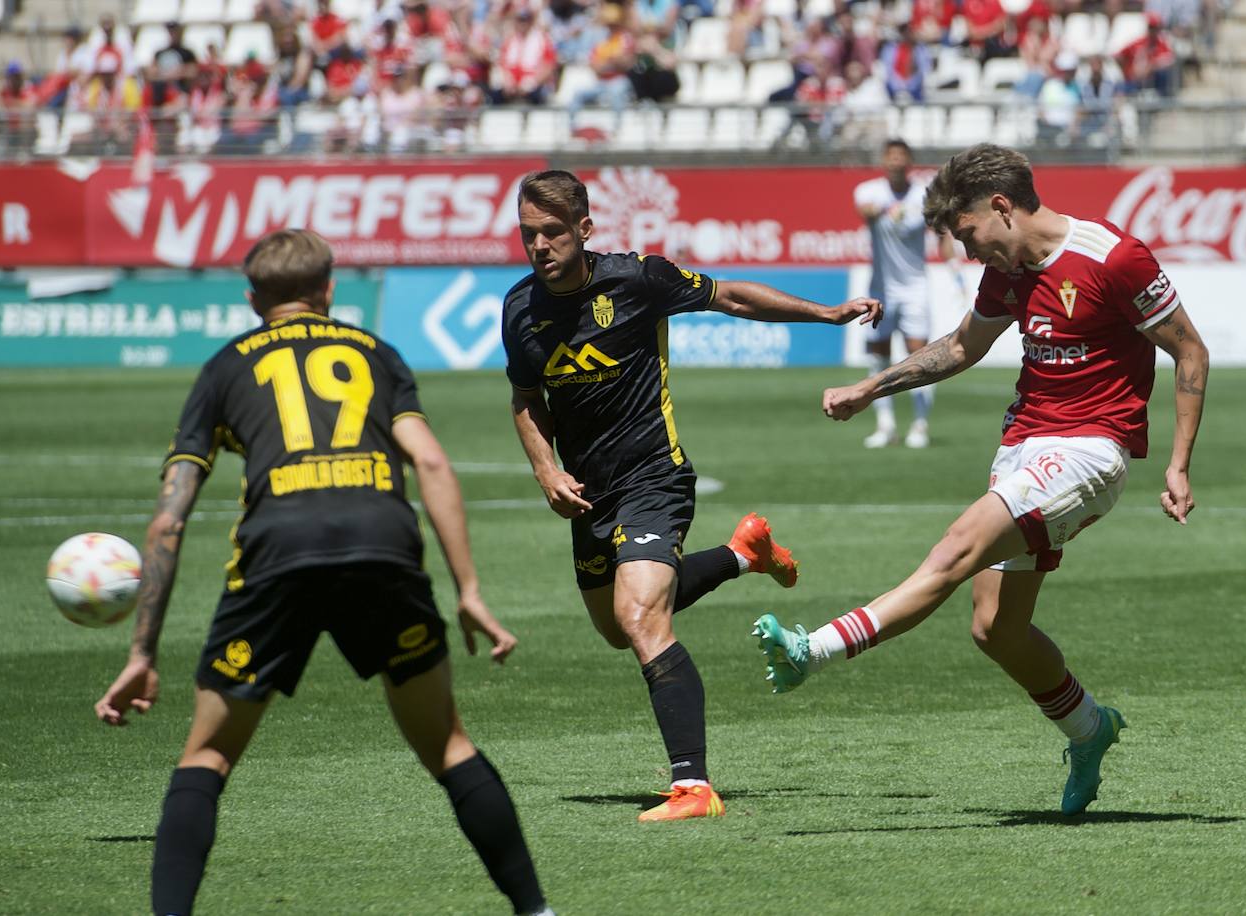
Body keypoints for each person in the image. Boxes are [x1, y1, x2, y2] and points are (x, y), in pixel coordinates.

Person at [95, 230, 551, 916]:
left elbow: (168, 519)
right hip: (382, 541)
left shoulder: (224, 367)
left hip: (279, 549)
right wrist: (470, 591)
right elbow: (430, 463)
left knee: (207, 758)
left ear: (253, 301)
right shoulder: (375, 352)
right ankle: (536, 912)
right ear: (330, 291)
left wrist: (141, 652)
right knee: (449, 745)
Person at [755, 143, 1210, 816]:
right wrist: (870, 387)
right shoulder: (1008, 268)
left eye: (968, 235)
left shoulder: (1113, 257)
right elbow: (964, 346)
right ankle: (1090, 730)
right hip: (1023, 445)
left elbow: (1189, 349)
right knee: (996, 628)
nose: (968, 252)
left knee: (957, 546)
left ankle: (811, 651)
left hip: (1090, 450)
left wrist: (1177, 463)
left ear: (1001, 207)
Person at [503, 170, 883, 822]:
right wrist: (545, 469)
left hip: (655, 476)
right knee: (618, 629)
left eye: (553, 232)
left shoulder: (637, 279)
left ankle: (693, 788)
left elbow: (730, 296)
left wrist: (823, 313)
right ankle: (743, 554)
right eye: (529, 233)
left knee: (642, 618)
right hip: (589, 496)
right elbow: (526, 398)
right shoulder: (519, 309)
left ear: (585, 230)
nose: (540, 246)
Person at [852, 139, 935, 449]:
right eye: (891, 156)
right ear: (884, 161)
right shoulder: (869, 191)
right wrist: (882, 209)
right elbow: (865, 211)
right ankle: (885, 425)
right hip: (881, 288)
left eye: (901, 156)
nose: (896, 162)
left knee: (920, 357)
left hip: (915, 287)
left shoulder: (924, 194)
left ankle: (920, 424)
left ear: (909, 161)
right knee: (879, 356)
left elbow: (939, 225)